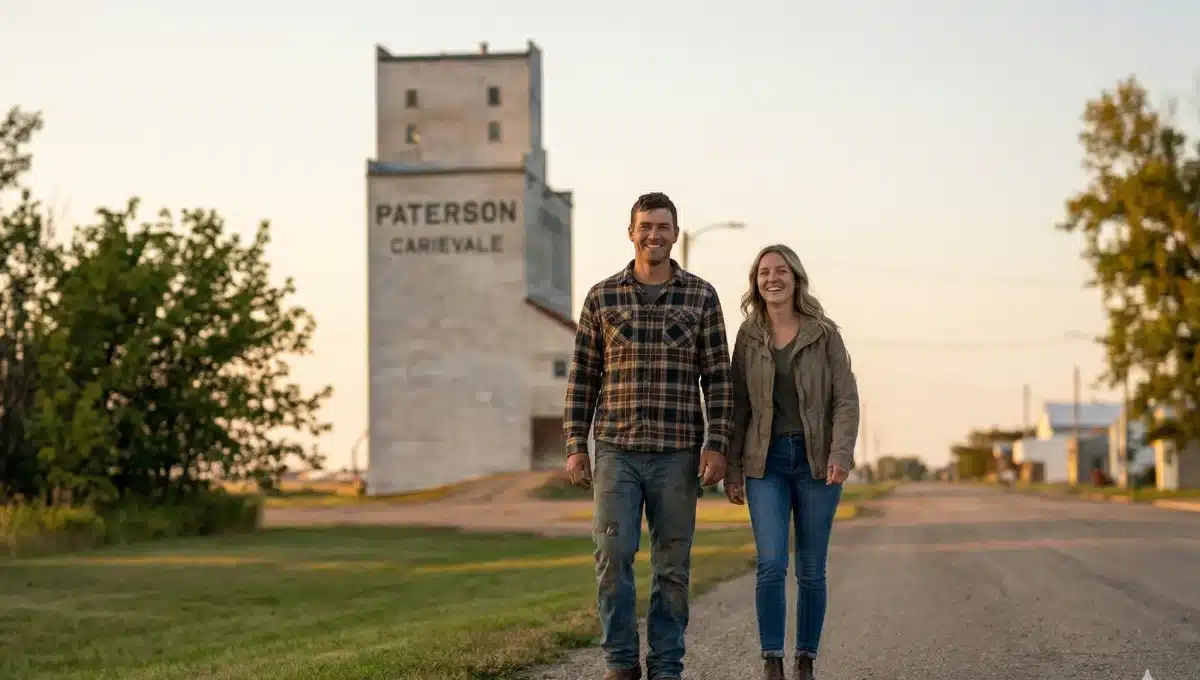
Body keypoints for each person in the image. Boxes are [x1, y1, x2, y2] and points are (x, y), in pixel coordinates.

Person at [562, 191, 734, 680]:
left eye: (662, 227)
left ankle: (665, 666)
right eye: (646, 226)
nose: (653, 235)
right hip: (616, 449)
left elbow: (718, 378)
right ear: (631, 232)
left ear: (675, 234)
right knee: (612, 556)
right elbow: (583, 376)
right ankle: (620, 662)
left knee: (672, 567)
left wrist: (717, 444)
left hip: (677, 452)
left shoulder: (701, 296)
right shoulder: (602, 296)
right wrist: (576, 444)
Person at [722, 244, 859, 680]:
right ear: (756, 282)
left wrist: (841, 453)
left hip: (817, 463)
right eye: (764, 272)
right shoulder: (748, 336)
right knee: (771, 563)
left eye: (781, 271)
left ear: (796, 278)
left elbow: (845, 399)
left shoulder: (824, 333)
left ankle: (805, 660)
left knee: (811, 569)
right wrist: (732, 468)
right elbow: (738, 406)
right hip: (766, 464)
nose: (772, 278)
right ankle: (771, 660)